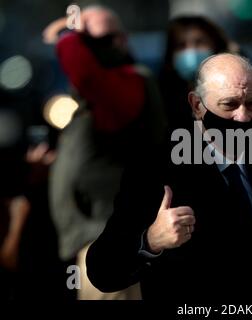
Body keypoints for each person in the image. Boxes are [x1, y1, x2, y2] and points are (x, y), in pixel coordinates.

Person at [86, 53, 252, 300]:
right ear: (197, 106)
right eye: (229, 105)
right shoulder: (157, 170)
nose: (243, 117)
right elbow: (102, 270)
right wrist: (151, 241)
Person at [43, 5, 166, 300]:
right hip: (93, 240)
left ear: (120, 41)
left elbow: (85, 73)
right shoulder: (97, 93)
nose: (83, 49)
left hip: (111, 244)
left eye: (91, 41)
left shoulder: (131, 82)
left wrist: (68, 33)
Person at [159, 16, 238, 130]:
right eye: (181, 45)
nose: (191, 51)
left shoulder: (237, 93)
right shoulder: (162, 100)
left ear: (216, 46)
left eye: (199, 42)